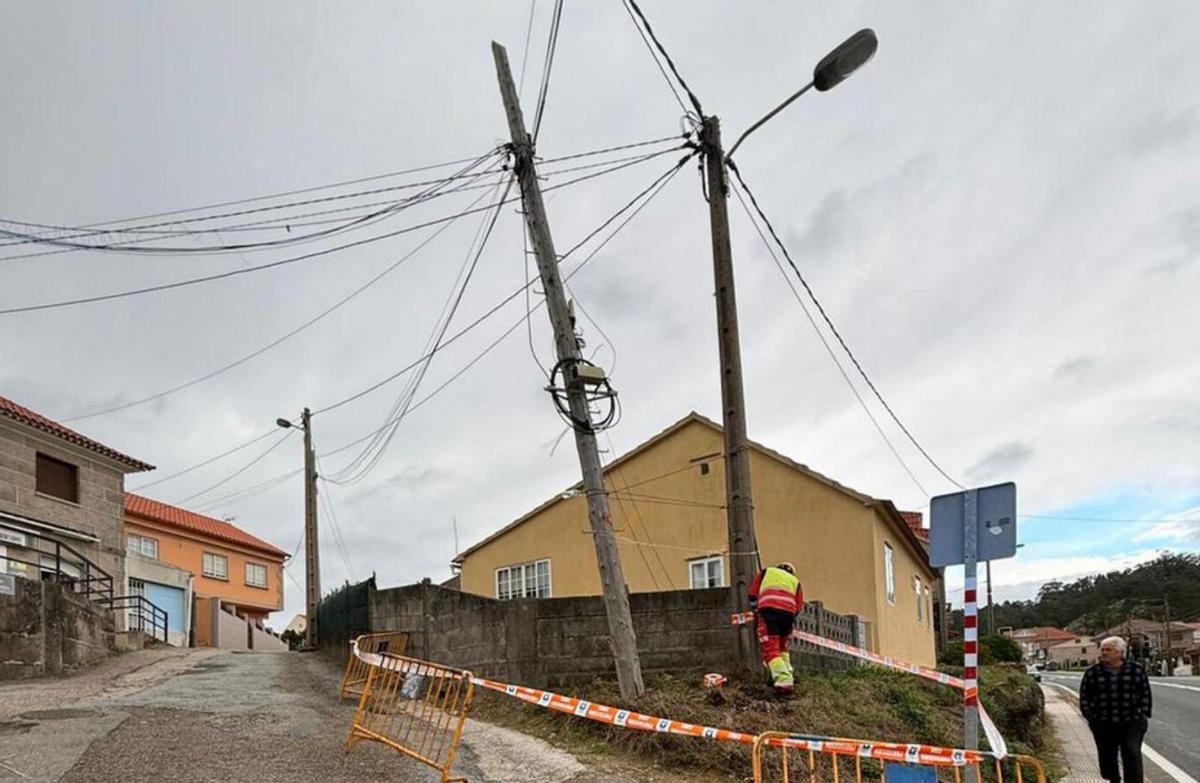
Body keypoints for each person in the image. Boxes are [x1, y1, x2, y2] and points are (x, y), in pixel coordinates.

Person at [1080, 636, 1152, 783]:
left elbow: (1145, 693)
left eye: (1109, 649)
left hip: (1131, 721)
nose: (1104, 653)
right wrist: (1091, 717)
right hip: (1103, 722)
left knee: (1132, 753)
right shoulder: (1092, 673)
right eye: (1103, 650)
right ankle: (1113, 779)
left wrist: (1143, 715)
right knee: (1107, 757)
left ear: (1120, 652)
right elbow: (1085, 696)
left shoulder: (1136, 670)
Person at [747, 562, 804, 695]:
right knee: (782, 648)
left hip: (769, 611)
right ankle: (788, 675)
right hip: (788, 615)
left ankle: (783, 681)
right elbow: (799, 605)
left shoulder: (767, 572)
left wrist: (756, 608)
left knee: (770, 649)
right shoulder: (795, 581)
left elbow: (752, 592)